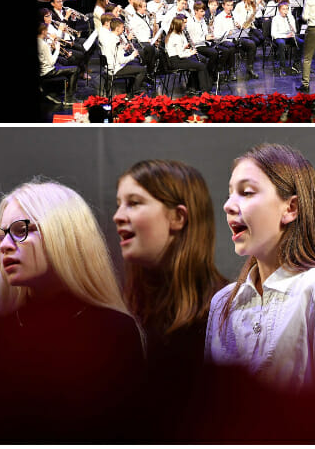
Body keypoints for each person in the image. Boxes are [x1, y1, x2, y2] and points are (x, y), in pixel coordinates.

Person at [0, 181, 144, 442]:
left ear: (65, 235)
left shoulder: (114, 333)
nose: (6, 246)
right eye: (0, 237)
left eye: (22, 230)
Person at [204, 143, 315, 396]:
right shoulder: (223, 302)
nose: (228, 205)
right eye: (229, 193)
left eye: (247, 192)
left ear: (291, 208)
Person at [114, 160, 227, 438]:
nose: (117, 215)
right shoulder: (125, 311)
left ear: (178, 217)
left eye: (134, 203)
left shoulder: (225, 310)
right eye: (119, 203)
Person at [99, 15, 147, 95]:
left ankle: (130, 88)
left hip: (108, 67)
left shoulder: (110, 37)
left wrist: (124, 48)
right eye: (122, 28)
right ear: (117, 29)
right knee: (142, 69)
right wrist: (133, 55)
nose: (123, 29)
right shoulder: (116, 41)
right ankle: (134, 92)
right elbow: (121, 60)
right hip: (115, 69)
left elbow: (113, 51)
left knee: (136, 64)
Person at [165, 17, 209, 96]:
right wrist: (191, 53)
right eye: (183, 24)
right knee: (201, 66)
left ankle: (194, 87)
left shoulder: (180, 33)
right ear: (178, 26)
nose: (184, 26)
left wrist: (188, 50)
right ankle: (205, 92)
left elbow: (181, 49)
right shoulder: (175, 36)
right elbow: (181, 55)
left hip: (180, 58)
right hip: (176, 61)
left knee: (200, 62)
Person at [270, 1, 303, 76]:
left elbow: (295, 30)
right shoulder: (275, 19)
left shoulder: (290, 17)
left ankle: (296, 64)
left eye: (287, 9)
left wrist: (292, 29)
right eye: (283, 9)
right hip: (279, 37)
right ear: (279, 10)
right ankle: (282, 67)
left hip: (289, 36)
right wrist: (285, 36)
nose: (286, 11)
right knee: (281, 44)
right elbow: (273, 34)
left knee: (300, 42)